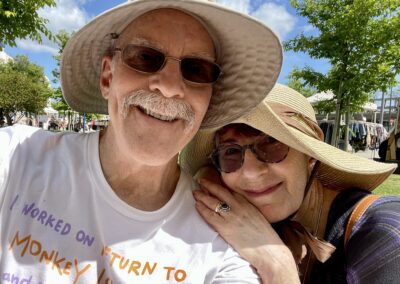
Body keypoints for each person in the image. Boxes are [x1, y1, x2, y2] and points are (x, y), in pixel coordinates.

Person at [0, 0, 284, 282]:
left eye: (196, 69)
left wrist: (278, 264)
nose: (170, 87)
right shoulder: (15, 156)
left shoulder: (220, 243)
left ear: (208, 101)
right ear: (108, 77)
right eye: (146, 58)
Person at [180, 83, 400, 283]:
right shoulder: (246, 223)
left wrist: (278, 266)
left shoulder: (387, 229)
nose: (250, 173)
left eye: (271, 143)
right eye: (230, 153)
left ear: (311, 156)